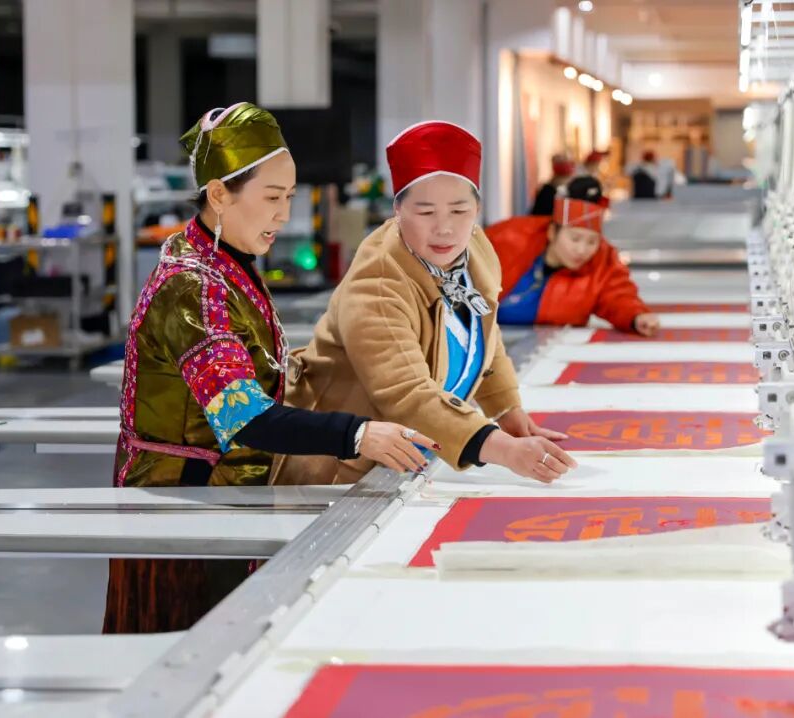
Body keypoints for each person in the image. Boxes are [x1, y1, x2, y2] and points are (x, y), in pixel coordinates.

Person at [104, 102, 435, 634]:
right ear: (218, 194)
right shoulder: (194, 287)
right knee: (193, 651)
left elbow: (252, 368)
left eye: (290, 198)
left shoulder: (223, 263)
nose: (284, 215)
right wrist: (357, 434)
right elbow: (243, 416)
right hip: (184, 508)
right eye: (273, 197)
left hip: (224, 494)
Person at [272, 121, 577, 487]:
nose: (444, 228)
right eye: (426, 212)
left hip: (409, 463)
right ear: (397, 210)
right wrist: (503, 449)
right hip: (340, 473)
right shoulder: (378, 283)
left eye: (459, 211)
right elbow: (406, 394)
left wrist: (507, 409)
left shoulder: (474, 251)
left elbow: (483, 331)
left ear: (477, 210)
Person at [487, 175, 660, 335]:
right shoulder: (508, 237)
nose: (582, 250)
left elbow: (618, 296)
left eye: (592, 241)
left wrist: (636, 316)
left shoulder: (602, 259)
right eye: (575, 239)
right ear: (552, 232)